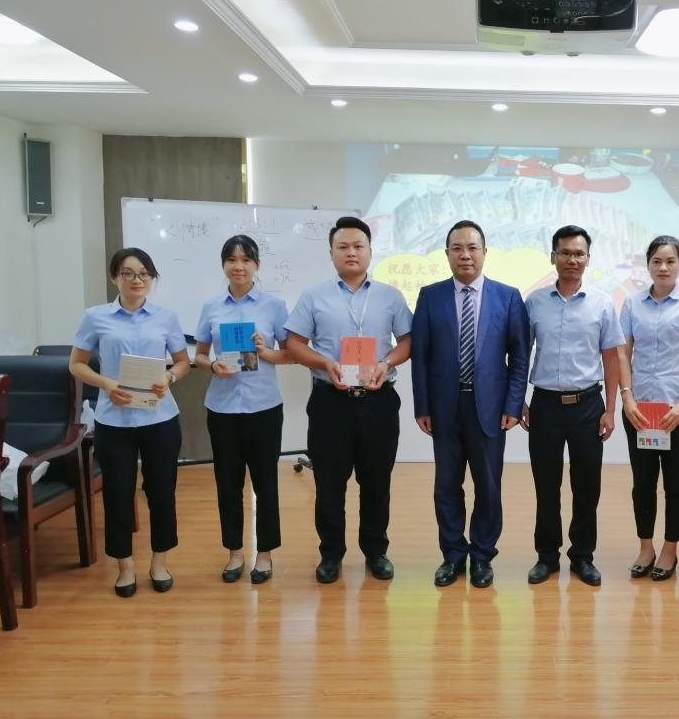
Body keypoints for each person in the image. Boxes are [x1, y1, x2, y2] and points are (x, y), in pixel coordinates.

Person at [285, 216, 412, 584]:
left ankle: (376, 552)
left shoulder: (390, 296)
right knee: (329, 484)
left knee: (376, 483)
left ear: (370, 251)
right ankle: (331, 554)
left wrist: (385, 363)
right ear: (331, 253)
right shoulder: (314, 297)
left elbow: (408, 340)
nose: (351, 252)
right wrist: (325, 363)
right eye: (343, 246)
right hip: (330, 403)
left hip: (378, 401)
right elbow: (293, 343)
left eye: (358, 246)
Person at [412, 220, 531, 589]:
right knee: (446, 486)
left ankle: (482, 556)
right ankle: (452, 555)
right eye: (457, 248)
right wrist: (422, 407)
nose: (465, 254)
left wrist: (514, 403)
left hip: (491, 408)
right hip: (444, 407)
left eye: (472, 247)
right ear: (447, 253)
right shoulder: (430, 296)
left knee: (488, 487)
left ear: (484, 252)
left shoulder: (507, 297)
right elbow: (421, 357)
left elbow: (520, 356)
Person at [68, 248, 191, 598]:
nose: (137, 279)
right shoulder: (95, 317)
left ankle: (159, 562)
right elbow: (76, 364)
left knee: (161, 492)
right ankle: (124, 566)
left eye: (144, 273)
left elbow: (182, 362)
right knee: (118, 494)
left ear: (151, 278)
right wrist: (107, 384)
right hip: (114, 419)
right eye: (128, 273)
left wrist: (168, 377)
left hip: (160, 417)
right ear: (114, 277)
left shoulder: (166, 317)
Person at [520, 225, 624, 587]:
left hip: (587, 406)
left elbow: (611, 358)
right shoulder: (534, 302)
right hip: (545, 405)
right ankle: (547, 556)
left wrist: (610, 409)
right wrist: (519, 400)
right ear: (553, 257)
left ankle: (582, 556)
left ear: (588, 259)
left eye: (579, 254)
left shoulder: (601, 303)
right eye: (565, 253)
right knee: (546, 485)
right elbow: (520, 354)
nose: (572, 260)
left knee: (587, 486)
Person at [194, 234, 291, 585]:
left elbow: (290, 354)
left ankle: (264, 554)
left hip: (264, 407)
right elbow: (199, 355)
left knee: (266, 483)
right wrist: (212, 365)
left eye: (246, 260)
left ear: (256, 265)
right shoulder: (211, 307)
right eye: (232, 260)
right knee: (227, 484)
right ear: (223, 265)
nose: (239, 266)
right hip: (222, 408)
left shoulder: (274, 306)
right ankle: (234, 552)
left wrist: (265, 351)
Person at [618, 235, 679, 581]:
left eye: (670, 261)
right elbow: (623, 353)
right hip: (640, 410)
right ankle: (646, 546)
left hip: (677, 410)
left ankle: (670, 549)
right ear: (648, 264)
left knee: (676, 482)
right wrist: (627, 397)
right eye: (656, 261)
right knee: (642, 482)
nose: (663, 267)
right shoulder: (632, 304)